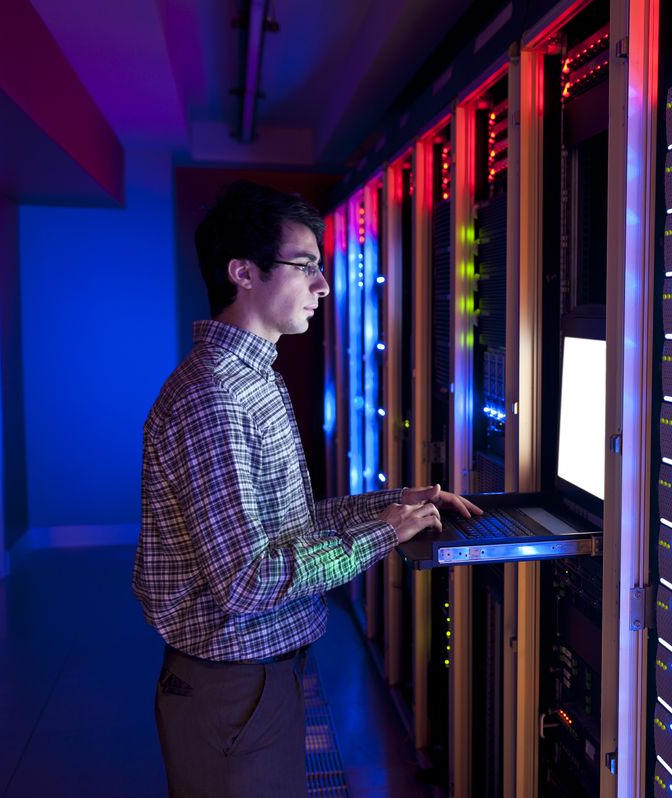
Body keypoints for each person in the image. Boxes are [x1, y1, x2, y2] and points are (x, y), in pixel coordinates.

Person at [132, 180, 480, 797]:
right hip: (232, 689)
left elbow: (284, 527)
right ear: (243, 272)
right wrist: (384, 533)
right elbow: (248, 579)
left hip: (254, 683)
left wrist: (396, 502)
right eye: (306, 267)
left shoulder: (251, 378)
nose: (324, 285)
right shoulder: (217, 397)